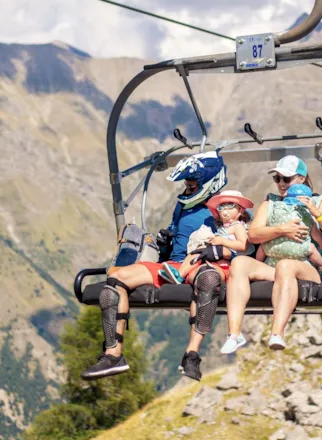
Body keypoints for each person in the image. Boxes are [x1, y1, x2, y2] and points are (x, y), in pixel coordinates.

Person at [81, 151, 229, 382]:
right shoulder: (182, 206)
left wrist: (218, 250)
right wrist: (167, 240)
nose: (187, 190)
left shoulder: (227, 205)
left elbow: (245, 241)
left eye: (191, 186)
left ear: (208, 184)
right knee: (115, 279)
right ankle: (113, 355)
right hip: (172, 265)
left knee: (208, 280)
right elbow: (175, 236)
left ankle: (192, 355)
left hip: (202, 263)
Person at [249, 155, 322, 351]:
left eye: (287, 179)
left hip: (305, 268)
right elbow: (254, 235)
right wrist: (281, 230)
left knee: (286, 266)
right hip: (273, 268)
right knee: (242, 264)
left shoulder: (317, 202)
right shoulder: (270, 203)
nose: (281, 184)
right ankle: (233, 334)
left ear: (301, 179)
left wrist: (315, 213)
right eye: (277, 179)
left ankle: (277, 332)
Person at [160, 190, 254, 284]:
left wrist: (222, 241)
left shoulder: (238, 226)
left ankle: (180, 275)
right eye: (221, 206)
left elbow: (243, 245)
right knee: (199, 250)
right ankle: (180, 273)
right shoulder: (223, 227)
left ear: (240, 210)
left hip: (232, 258)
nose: (225, 210)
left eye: (230, 205)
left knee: (201, 253)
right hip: (219, 255)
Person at [255, 183, 322, 272]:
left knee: (263, 246)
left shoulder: (276, 210)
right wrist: (321, 245)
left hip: (272, 248)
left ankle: (257, 263)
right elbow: (316, 234)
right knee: (311, 248)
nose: (281, 182)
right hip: (296, 249)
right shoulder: (305, 214)